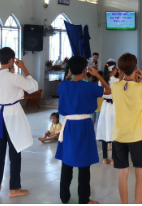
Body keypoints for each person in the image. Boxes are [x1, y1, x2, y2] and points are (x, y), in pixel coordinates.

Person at [55, 56, 109, 205]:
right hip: (84, 125)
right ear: (85, 70)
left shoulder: (64, 85)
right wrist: (98, 75)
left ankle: (64, 197)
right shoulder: (90, 86)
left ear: (70, 70)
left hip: (69, 125)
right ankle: (84, 199)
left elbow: (64, 85)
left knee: (67, 162)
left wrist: (68, 76)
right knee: (84, 164)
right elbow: (108, 90)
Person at [0, 47, 39, 197]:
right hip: (12, 115)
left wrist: (12, 72)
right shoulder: (14, 77)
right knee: (15, 150)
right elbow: (33, 87)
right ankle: (14, 188)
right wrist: (24, 69)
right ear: (12, 60)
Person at [111, 53, 142, 205]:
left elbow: (123, 87)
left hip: (119, 135)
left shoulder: (115, 86)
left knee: (122, 172)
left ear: (120, 69)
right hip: (136, 136)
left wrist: (123, 78)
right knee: (140, 172)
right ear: (136, 68)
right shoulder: (141, 88)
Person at [96, 59, 119, 164]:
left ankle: (105, 158)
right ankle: (114, 159)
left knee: (104, 129)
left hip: (104, 106)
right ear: (114, 70)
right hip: (114, 107)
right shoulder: (117, 81)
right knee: (113, 130)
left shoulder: (101, 81)